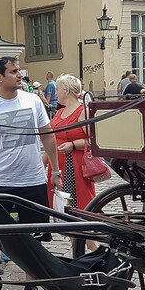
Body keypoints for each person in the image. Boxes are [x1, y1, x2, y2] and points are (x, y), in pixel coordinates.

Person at [0, 57, 63, 290]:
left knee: (33, 238)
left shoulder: (33, 100)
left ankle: (31, 288)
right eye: (13, 72)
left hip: (32, 179)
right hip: (0, 182)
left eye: (19, 70)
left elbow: (47, 135)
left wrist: (55, 170)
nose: (19, 75)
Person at [43, 74, 96, 220]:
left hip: (74, 166)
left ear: (66, 91)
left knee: (77, 209)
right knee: (64, 210)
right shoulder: (60, 112)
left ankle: (92, 243)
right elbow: (51, 140)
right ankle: (79, 243)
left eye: (58, 89)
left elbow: (94, 141)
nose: (55, 93)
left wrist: (73, 145)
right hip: (58, 166)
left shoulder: (83, 111)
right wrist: (44, 162)